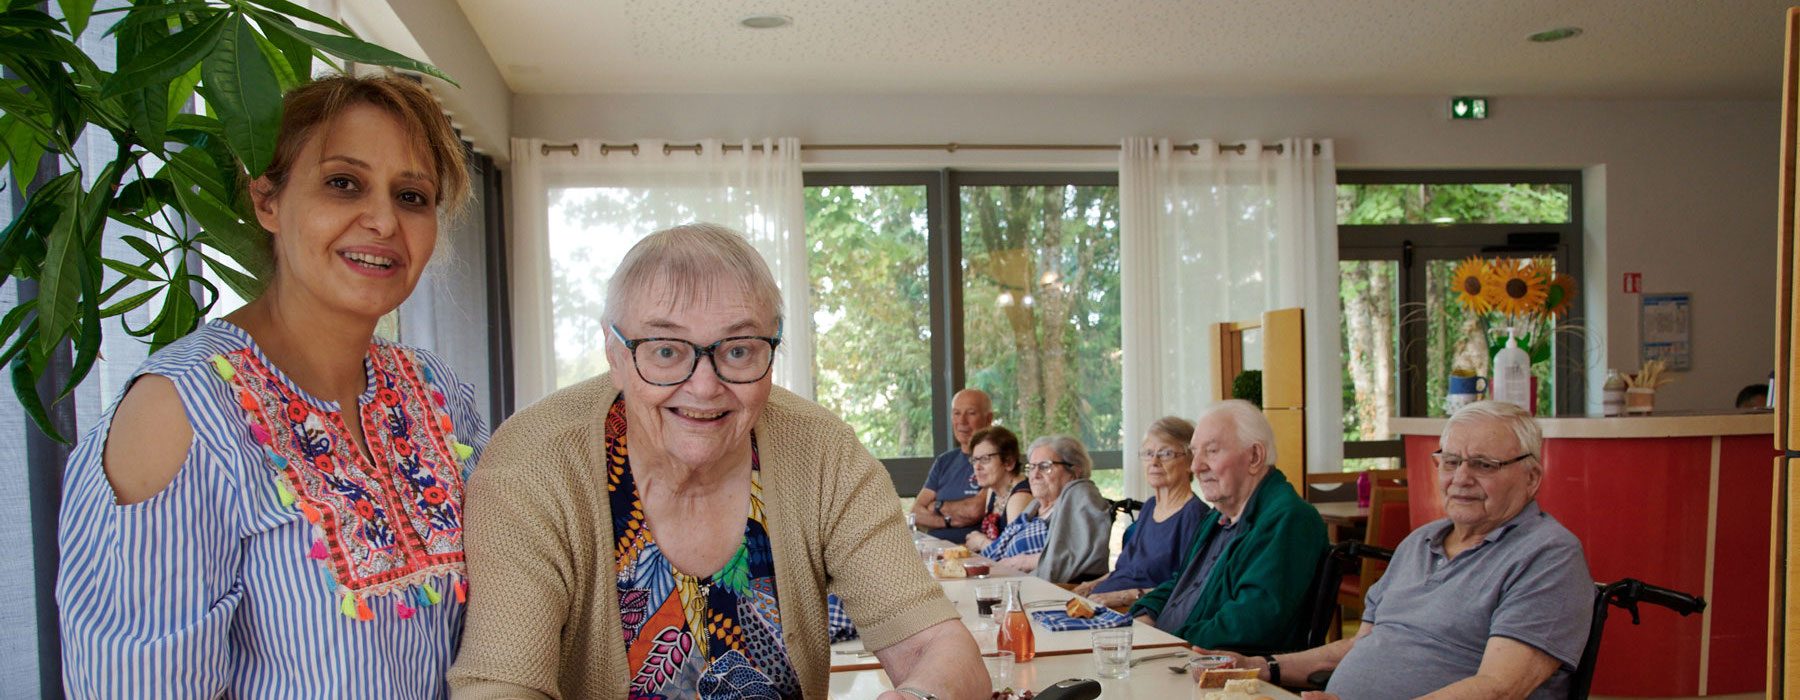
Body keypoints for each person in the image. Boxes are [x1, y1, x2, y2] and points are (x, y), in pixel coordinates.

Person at [57, 74, 485, 697]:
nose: (383, 220)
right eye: (344, 184)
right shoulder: (181, 410)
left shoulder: (437, 395)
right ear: (267, 201)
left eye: (412, 196)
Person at [448, 224, 984, 700]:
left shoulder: (823, 453)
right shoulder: (533, 467)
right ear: (614, 355)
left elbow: (937, 644)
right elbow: (500, 684)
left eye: (738, 350)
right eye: (665, 350)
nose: (705, 387)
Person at [1198, 401, 1594, 700]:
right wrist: (1263, 667)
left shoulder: (1547, 556)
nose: (1460, 478)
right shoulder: (1420, 543)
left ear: (1531, 476)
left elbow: (1497, 687)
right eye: (1451, 461)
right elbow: (1361, 645)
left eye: (1484, 465)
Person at [1130, 400, 1325, 652]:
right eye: (1194, 452)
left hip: (1212, 671)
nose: (1195, 466)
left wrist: (1169, 642)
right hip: (1170, 653)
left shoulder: (1289, 519)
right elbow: (1182, 583)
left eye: (1211, 451)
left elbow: (1251, 622)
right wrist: (1143, 618)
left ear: (1255, 456)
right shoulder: (1218, 515)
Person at [1072, 416, 1205, 609]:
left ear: (1189, 461)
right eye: (1148, 453)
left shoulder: (1194, 515)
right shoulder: (1150, 506)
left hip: (1137, 612)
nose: (1154, 461)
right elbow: (1129, 569)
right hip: (1101, 602)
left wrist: (1123, 597)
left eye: (1166, 453)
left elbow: (1186, 587)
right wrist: (1092, 584)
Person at [981, 435, 1111, 583]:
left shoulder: (1082, 495)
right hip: (1005, 581)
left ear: (1074, 472)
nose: (1034, 475)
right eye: (1031, 467)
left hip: (1047, 591)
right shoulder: (1035, 506)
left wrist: (1026, 561)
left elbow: (1076, 556)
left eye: (1045, 467)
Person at [911, 388, 996, 541]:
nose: (962, 421)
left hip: (973, 555)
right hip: (933, 553)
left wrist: (936, 506)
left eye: (971, 413)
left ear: (988, 419)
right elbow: (915, 512)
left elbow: (975, 510)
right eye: (957, 413)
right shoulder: (944, 461)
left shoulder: (994, 459)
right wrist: (947, 521)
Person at [963, 425, 1032, 553]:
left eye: (985, 459)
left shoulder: (1020, 497)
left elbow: (1013, 553)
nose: (977, 467)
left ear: (1009, 462)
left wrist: (981, 542)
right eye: (974, 460)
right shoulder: (993, 490)